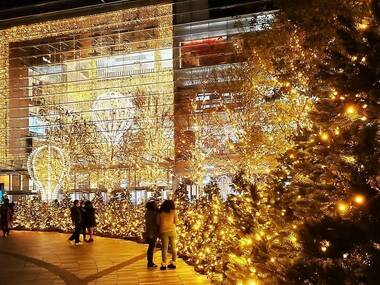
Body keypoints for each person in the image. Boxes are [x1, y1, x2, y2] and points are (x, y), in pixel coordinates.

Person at [157, 200, 177, 270]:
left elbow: (158, 223)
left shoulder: (160, 213)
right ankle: (173, 262)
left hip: (163, 231)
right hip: (172, 231)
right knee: (173, 247)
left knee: (164, 248)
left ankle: (164, 263)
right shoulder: (173, 212)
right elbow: (176, 221)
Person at [144, 200, 159, 268]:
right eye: (155, 204)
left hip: (150, 232)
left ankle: (150, 262)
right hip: (152, 233)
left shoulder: (148, 212)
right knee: (151, 248)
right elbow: (153, 223)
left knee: (151, 248)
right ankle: (150, 263)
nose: (156, 205)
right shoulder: (153, 213)